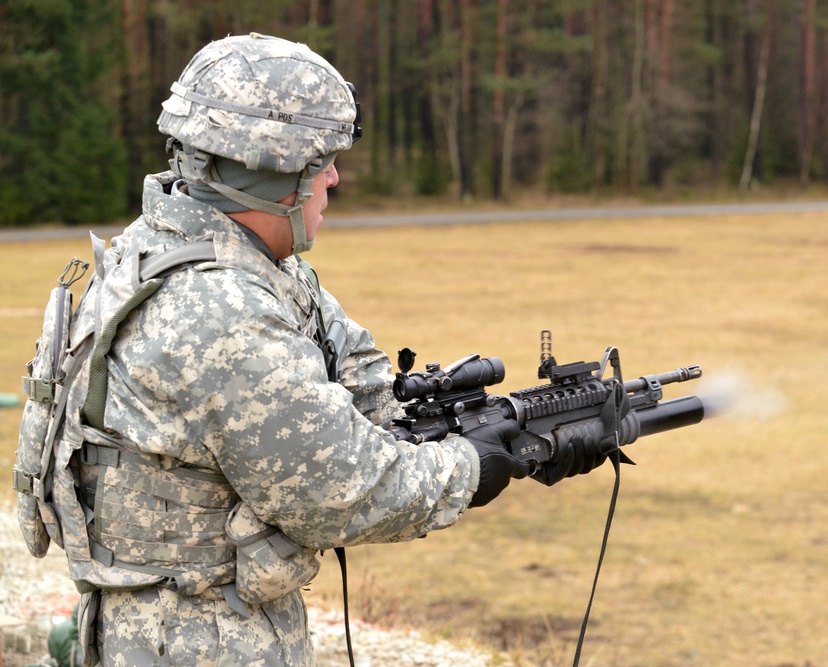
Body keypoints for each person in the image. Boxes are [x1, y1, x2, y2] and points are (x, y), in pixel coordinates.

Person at [53, 33, 609, 666]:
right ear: (270, 173)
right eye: (322, 162)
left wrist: (521, 424)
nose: (335, 178)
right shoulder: (219, 311)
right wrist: (483, 465)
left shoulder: (194, 258)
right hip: (194, 643)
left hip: (192, 626)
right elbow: (340, 490)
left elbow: (368, 389)